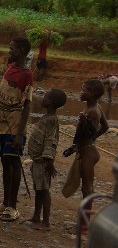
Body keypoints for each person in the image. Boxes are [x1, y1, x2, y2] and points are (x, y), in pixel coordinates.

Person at [0, 37, 33, 221]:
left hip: (15, 128)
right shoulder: (10, 68)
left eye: (12, 48)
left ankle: (13, 208)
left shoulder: (27, 74)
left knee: (13, 164)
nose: (9, 50)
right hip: (1, 125)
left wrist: (19, 133)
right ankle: (5, 204)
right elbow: (1, 98)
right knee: (5, 164)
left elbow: (27, 105)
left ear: (21, 51)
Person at [63, 79, 109, 231]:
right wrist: (76, 146)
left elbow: (91, 132)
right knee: (86, 187)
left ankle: (84, 225)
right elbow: (106, 126)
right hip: (88, 149)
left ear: (93, 94)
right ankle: (84, 222)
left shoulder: (92, 112)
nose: (81, 92)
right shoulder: (94, 107)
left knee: (87, 188)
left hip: (88, 153)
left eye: (84, 90)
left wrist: (86, 126)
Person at [27, 89, 67, 230]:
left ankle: (46, 222)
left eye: (46, 96)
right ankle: (36, 216)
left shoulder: (51, 120)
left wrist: (49, 161)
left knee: (44, 190)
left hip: (43, 161)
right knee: (38, 189)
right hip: (38, 160)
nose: (43, 98)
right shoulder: (46, 117)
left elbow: (51, 141)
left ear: (51, 102)